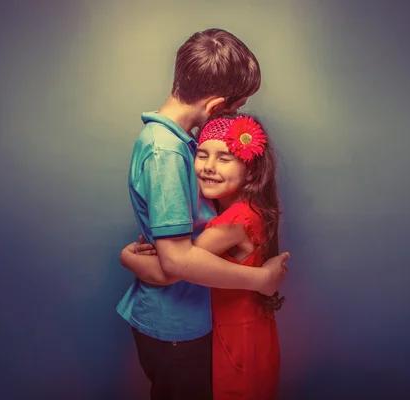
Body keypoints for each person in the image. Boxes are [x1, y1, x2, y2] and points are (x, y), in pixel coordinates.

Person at [116, 29, 290, 400]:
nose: (236, 115)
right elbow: (176, 262)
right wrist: (260, 280)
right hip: (174, 324)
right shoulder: (167, 152)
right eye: (234, 107)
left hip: (189, 318)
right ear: (214, 107)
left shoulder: (180, 144)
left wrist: (131, 256)